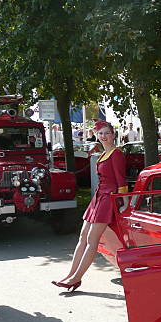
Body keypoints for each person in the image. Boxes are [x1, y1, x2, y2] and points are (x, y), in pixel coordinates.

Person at [52, 121, 127, 291]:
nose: (103, 136)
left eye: (107, 133)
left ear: (113, 135)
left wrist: (124, 203)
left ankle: (76, 278)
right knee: (82, 237)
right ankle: (70, 275)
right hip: (98, 198)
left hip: (108, 199)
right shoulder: (102, 154)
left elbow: (121, 181)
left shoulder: (116, 154)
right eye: (100, 133)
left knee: (92, 240)